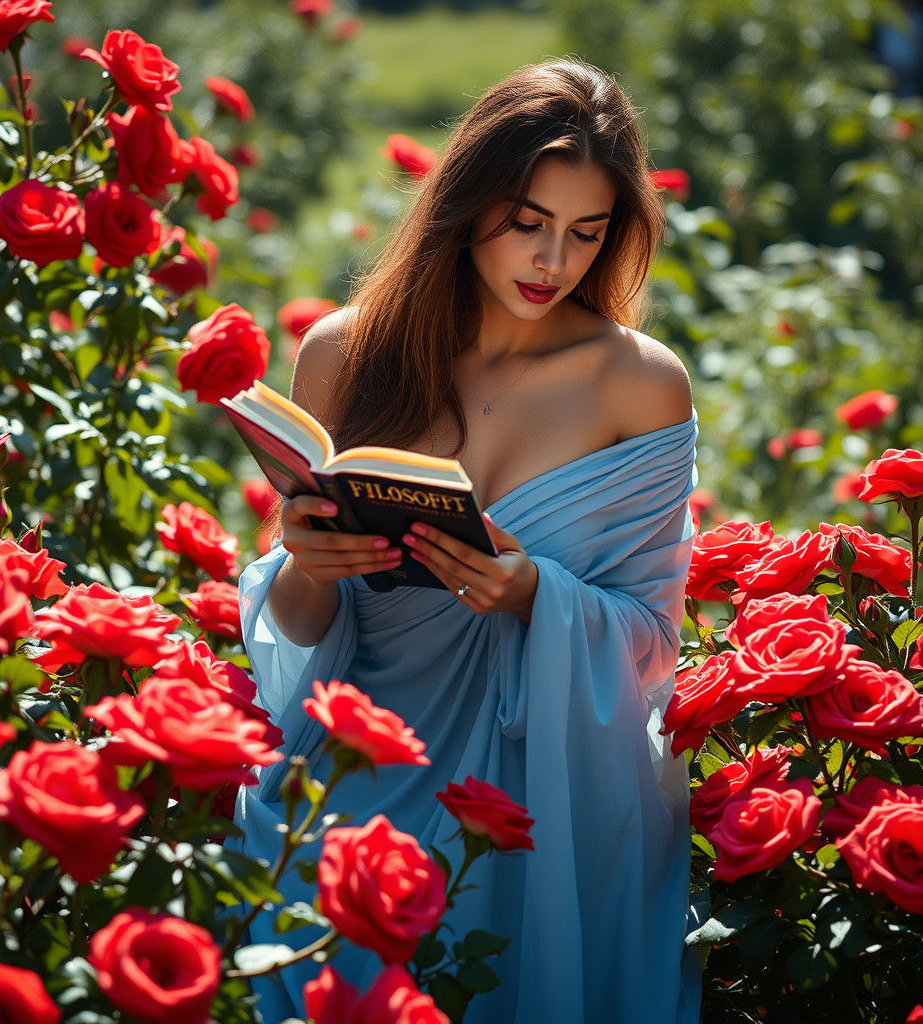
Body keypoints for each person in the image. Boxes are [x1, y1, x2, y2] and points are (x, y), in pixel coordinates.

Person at [232, 58, 701, 1023]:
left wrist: (537, 596)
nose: (551, 261)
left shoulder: (638, 384)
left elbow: (655, 642)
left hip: (538, 796)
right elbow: (301, 622)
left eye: (586, 232)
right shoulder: (343, 352)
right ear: (467, 204)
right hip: (354, 764)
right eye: (526, 222)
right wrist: (308, 563)